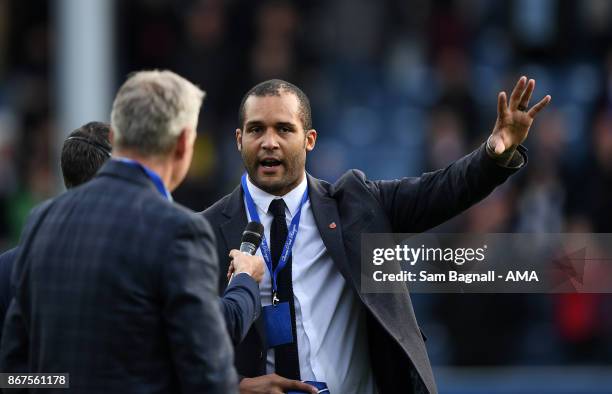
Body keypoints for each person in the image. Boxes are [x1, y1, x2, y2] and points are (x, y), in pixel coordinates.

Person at [202, 77, 551, 393]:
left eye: (283, 129)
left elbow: (443, 190)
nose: (269, 142)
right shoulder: (204, 232)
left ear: (309, 140)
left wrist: (493, 154)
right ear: (238, 139)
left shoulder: (357, 206)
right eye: (256, 130)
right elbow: (171, 347)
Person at [0, 70, 260, 393]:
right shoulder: (180, 230)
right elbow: (208, 377)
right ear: (182, 144)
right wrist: (246, 280)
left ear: (115, 137)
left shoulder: (41, 220)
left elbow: (12, 373)